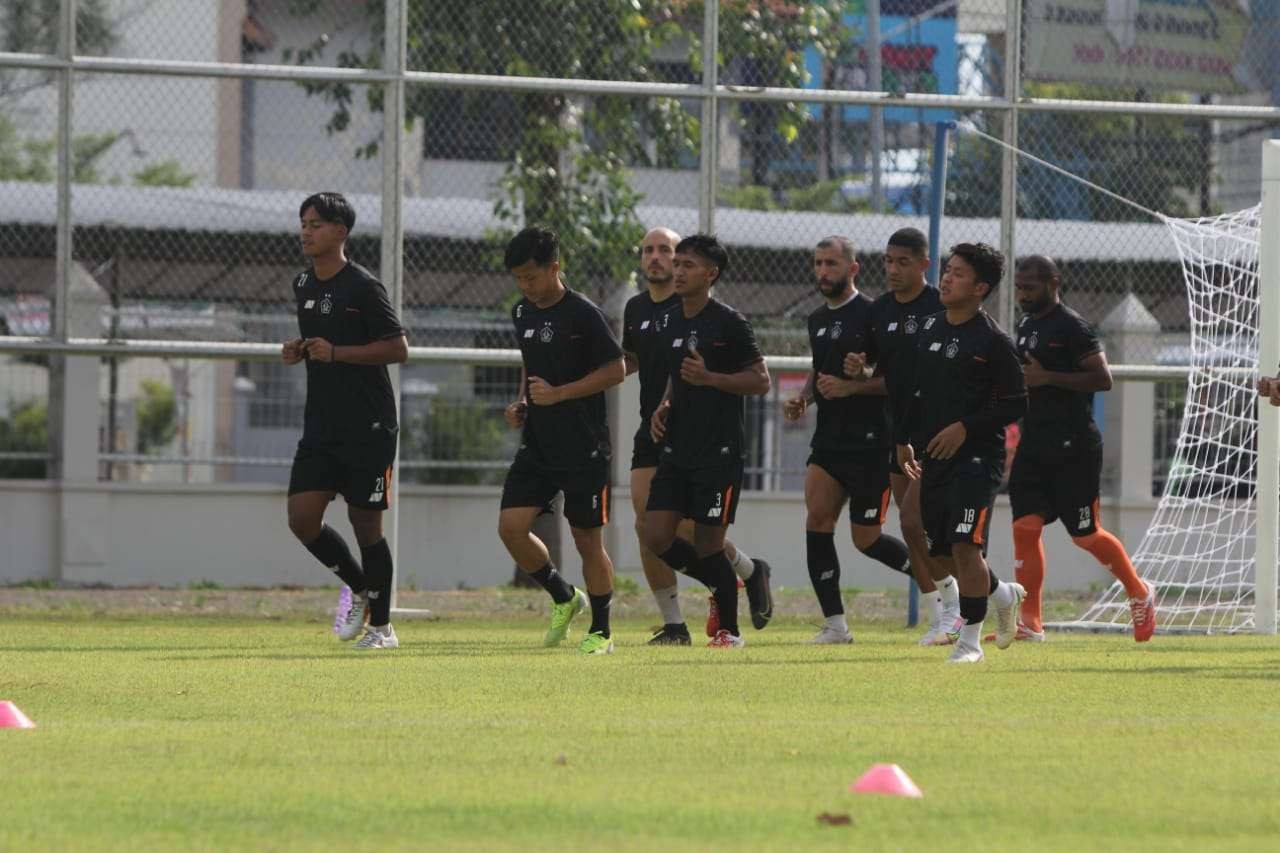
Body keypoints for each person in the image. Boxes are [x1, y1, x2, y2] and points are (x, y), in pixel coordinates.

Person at [622, 227, 768, 645]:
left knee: (707, 543)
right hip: (675, 447)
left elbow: (760, 381)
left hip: (718, 449)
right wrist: (666, 404)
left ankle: (729, 631)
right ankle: (732, 584)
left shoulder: (730, 322)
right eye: (677, 262)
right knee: (654, 534)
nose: (677, 269)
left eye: (687, 264)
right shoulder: (667, 320)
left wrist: (711, 378)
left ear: (711, 273)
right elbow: (674, 373)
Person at [1006, 255, 1156, 642]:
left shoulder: (1073, 327)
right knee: (1025, 528)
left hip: (1074, 447)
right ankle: (1031, 622)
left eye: (1030, 287)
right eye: (1019, 287)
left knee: (1085, 536)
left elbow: (1102, 378)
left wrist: (1046, 377)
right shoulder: (1025, 325)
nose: (1022, 294)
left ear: (1053, 283)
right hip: (1034, 443)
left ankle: (1139, 591)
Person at [282, 192, 408, 650]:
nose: (306, 231)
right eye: (303, 223)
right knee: (302, 518)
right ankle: (359, 589)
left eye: (315, 224)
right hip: (321, 424)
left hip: (369, 425)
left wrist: (337, 354)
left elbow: (398, 348)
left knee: (365, 524)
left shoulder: (364, 287)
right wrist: (298, 351)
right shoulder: (303, 285)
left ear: (341, 231)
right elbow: (321, 341)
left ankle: (383, 628)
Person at [893, 242, 1027, 663]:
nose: (947, 279)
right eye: (947, 270)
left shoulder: (993, 341)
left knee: (966, 546)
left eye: (958, 274)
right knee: (940, 553)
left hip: (977, 460)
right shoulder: (930, 329)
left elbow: (1016, 403)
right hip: (934, 458)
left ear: (981, 288)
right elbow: (916, 392)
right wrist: (903, 438)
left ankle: (970, 642)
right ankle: (1004, 594)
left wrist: (966, 427)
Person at [497, 226, 626, 655]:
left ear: (555, 268)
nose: (526, 287)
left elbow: (617, 370)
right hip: (539, 444)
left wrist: (559, 394)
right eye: (519, 279)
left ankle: (602, 631)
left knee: (587, 540)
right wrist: (522, 403)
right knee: (511, 529)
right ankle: (565, 597)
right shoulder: (522, 313)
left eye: (531, 277)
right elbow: (530, 365)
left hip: (584, 446)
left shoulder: (584, 314)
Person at [783, 236, 915, 644]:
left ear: (853, 269)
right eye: (818, 263)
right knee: (817, 520)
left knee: (866, 539)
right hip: (829, 441)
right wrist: (804, 399)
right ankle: (835, 624)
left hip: (873, 442)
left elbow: (894, 379)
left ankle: (940, 583)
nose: (823, 272)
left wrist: (857, 380)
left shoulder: (875, 314)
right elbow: (818, 369)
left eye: (832, 264)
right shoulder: (816, 319)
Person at [847, 228, 961, 645]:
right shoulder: (879, 312)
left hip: (939, 434)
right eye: (889, 261)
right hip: (901, 433)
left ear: (924, 265)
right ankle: (947, 613)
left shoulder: (942, 306)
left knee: (920, 522)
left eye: (903, 262)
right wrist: (859, 366)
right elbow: (877, 370)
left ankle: (963, 606)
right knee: (915, 527)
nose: (893, 270)